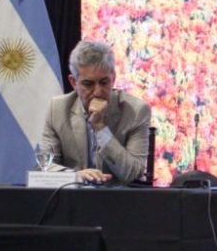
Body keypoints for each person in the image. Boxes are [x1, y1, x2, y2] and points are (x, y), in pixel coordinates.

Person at [39, 39, 151, 184]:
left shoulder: (136, 111)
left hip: (118, 201)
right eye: (88, 84)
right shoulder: (58, 109)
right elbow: (44, 167)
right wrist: (75, 176)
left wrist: (100, 127)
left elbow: (133, 173)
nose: (98, 92)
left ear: (113, 78)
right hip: (72, 200)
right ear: (74, 82)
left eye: (104, 82)